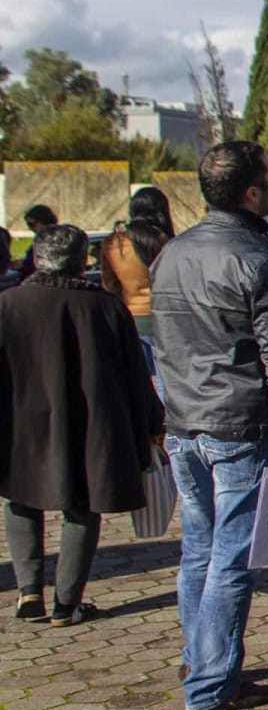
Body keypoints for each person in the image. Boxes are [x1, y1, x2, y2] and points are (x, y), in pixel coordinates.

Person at [148, 142, 268, 710]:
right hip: (236, 425)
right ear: (252, 192)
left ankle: (205, 663)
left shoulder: (172, 254)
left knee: (200, 549)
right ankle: (210, 681)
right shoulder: (259, 259)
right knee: (229, 559)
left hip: (187, 421)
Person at [1, 224, 163, 627]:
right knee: (82, 506)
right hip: (91, 425)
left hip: (20, 423)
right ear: (81, 261)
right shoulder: (106, 308)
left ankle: (28, 592)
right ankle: (66, 602)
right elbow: (134, 375)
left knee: (20, 498)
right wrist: (152, 424)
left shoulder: (8, 304)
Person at [102, 187, 176, 336]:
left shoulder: (113, 243)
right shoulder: (164, 241)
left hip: (130, 316)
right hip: (166, 316)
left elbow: (109, 286)